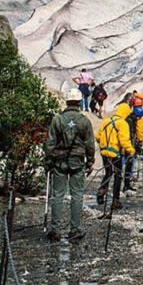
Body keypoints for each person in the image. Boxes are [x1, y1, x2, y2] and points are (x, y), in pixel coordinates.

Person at [43, 89, 96, 241]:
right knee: (77, 195)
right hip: (77, 162)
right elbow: (90, 144)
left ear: (66, 101)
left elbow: (50, 142)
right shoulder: (84, 121)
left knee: (57, 195)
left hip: (59, 162)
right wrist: (90, 161)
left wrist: (47, 160)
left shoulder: (57, 119)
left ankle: (56, 230)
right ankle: (75, 229)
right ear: (79, 102)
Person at [96, 100, 136, 210]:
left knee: (108, 173)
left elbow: (98, 137)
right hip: (116, 154)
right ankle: (115, 200)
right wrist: (132, 151)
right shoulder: (123, 123)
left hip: (104, 152)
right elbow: (124, 141)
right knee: (118, 176)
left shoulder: (106, 121)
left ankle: (101, 191)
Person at [123, 96, 143, 193]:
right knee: (128, 165)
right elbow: (129, 136)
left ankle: (127, 184)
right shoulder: (129, 122)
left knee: (129, 165)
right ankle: (126, 185)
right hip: (128, 147)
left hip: (131, 145)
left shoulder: (131, 120)